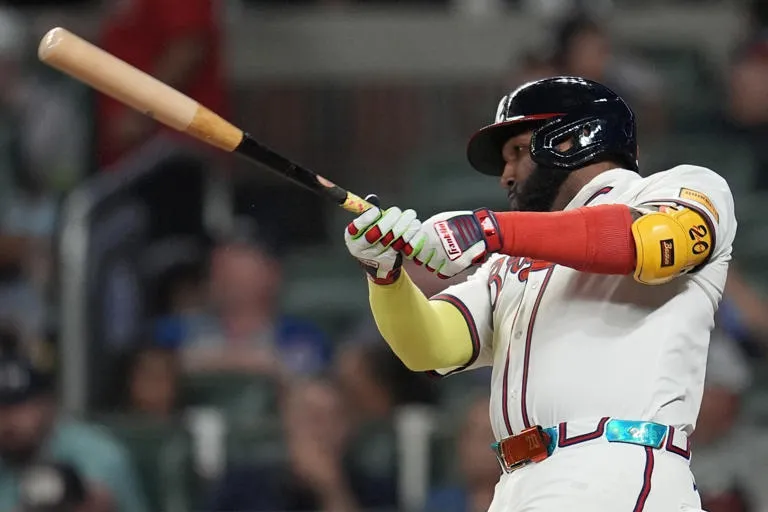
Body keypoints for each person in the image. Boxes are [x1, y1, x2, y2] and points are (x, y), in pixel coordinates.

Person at [344, 76, 736, 511]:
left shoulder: (676, 188)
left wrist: (488, 230)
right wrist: (385, 276)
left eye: (516, 152)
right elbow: (433, 346)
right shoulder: (509, 260)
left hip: (614, 465)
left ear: (572, 140)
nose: (505, 176)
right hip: (519, 481)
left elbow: (654, 242)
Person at [0, 354, 149, 512]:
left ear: (48, 404)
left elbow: (97, 501)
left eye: (19, 407)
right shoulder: (7, 455)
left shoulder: (93, 450)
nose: (8, 421)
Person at [425, 394, 500, 512]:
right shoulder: (439, 504)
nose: (482, 448)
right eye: (473, 436)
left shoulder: (527, 500)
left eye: (488, 436)